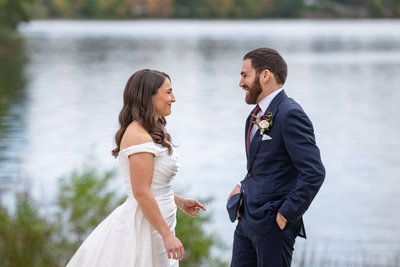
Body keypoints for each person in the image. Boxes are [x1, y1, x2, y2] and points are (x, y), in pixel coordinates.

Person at [67, 69, 206, 267]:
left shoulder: (153, 129)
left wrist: (180, 201)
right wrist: (166, 236)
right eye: (168, 92)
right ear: (148, 96)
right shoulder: (137, 135)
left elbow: (152, 185)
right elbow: (140, 192)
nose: (173, 98)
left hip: (159, 220)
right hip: (146, 227)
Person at [227, 48, 325, 267]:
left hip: (273, 225)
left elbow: (314, 173)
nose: (240, 83)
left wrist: (285, 214)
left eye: (245, 75)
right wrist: (242, 185)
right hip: (246, 222)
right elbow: (265, 165)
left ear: (265, 75)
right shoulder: (254, 116)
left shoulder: (290, 114)